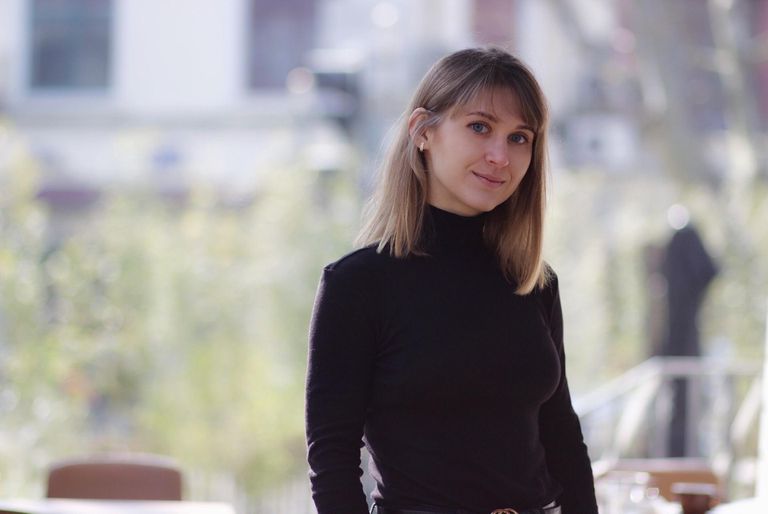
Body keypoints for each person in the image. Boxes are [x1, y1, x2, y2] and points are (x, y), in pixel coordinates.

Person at [305, 47, 597, 514]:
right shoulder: (357, 284)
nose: (500, 156)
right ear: (423, 131)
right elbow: (332, 460)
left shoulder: (533, 283)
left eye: (520, 137)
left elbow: (561, 436)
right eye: (479, 127)